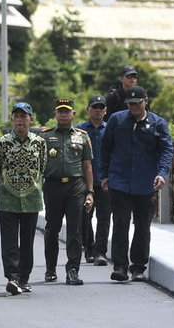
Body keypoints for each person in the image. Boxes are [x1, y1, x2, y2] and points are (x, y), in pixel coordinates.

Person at [98, 86, 173, 283]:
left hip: (145, 184)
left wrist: (162, 174)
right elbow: (105, 148)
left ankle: (138, 267)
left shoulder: (158, 124)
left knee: (142, 226)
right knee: (120, 225)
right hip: (119, 182)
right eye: (130, 104)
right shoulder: (117, 120)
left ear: (145, 101)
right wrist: (104, 175)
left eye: (137, 103)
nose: (134, 107)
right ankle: (120, 267)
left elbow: (166, 151)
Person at [0, 102, 46, 295]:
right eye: (17, 116)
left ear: (30, 119)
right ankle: (12, 277)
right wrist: (10, 184)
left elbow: (42, 168)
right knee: (9, 241)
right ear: (12, 119)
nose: (20, 120)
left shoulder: (39, 142)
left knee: (27, 241)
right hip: (8, 198)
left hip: (31, 199)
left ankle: (24, 278)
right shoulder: (2, 143)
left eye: (24, 116)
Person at [41, 99, 95, 286]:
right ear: (55, 114)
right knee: (51, 229)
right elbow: (39, 165)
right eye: (60, 111)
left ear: (73, 114)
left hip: (75, 187)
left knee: (75, 230)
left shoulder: (82, 136)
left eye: (67, 112)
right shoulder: (45, 137)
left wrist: (90, 192)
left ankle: (73, 270)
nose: (63, 115)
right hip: (53, 186)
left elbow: (87, 165)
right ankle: (50, 269)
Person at [78, 94, 111, 266]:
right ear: (87, 109)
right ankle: (89, 250)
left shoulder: (111, 129)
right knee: (85, 218)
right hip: (84, 183)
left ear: (105, 111)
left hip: (105, 181)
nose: (97, 111)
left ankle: (101, 253)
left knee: (104, 218)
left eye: (101, 108)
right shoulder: (79, 131)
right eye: (94, 107)